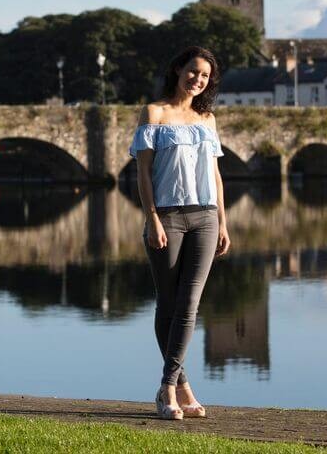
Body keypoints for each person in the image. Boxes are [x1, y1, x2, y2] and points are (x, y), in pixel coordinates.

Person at [129, 45, 231, 421]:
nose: (198, 80)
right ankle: (181, 387)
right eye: (193, 72)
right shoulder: (154, 113)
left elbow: (216, 176)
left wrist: (223, 220)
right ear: (177, 70)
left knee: (189, 306)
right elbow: (142, 174)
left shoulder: (208, 119)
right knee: (168, 305)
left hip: (205, 217)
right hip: (168, 217)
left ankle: (168, 387)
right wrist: (152, 218)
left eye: (204, 76)